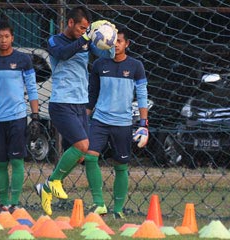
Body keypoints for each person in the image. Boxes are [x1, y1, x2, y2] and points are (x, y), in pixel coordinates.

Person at [34, 6, 116, 216]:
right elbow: (62, 54)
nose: (83, 31)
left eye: (86, 29)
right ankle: (54, 182)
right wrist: (84, 39)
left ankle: (48, 186)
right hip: (62, 104)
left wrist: (110, 39)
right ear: (70, 23)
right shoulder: (55, 41)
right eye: (81, 28)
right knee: (83, 146)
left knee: (82, 155)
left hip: (80, 105)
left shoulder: (86, 42)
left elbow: (102, 52)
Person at [0, 20, 41, 214]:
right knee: (1, 163)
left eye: (6, 36)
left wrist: (35, 116)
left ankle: (15, 203)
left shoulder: (23, 60)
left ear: (12, 38)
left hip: (18, 118)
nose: (3, 40)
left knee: (17, 161)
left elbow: (31, 88)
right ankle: (3, 203)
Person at [85, 27, 149, 219]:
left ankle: (118, 209)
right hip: (100, 120)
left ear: (127, 44)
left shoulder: (136, 66)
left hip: (123, 123)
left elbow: (143, 95)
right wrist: (83, 120)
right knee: (89, 157)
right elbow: (92, 95)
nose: (116, 44)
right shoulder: (99, 65)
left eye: (120, 41)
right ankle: (99, 204)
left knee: (121, 166)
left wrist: (144, 124)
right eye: (113, 41)